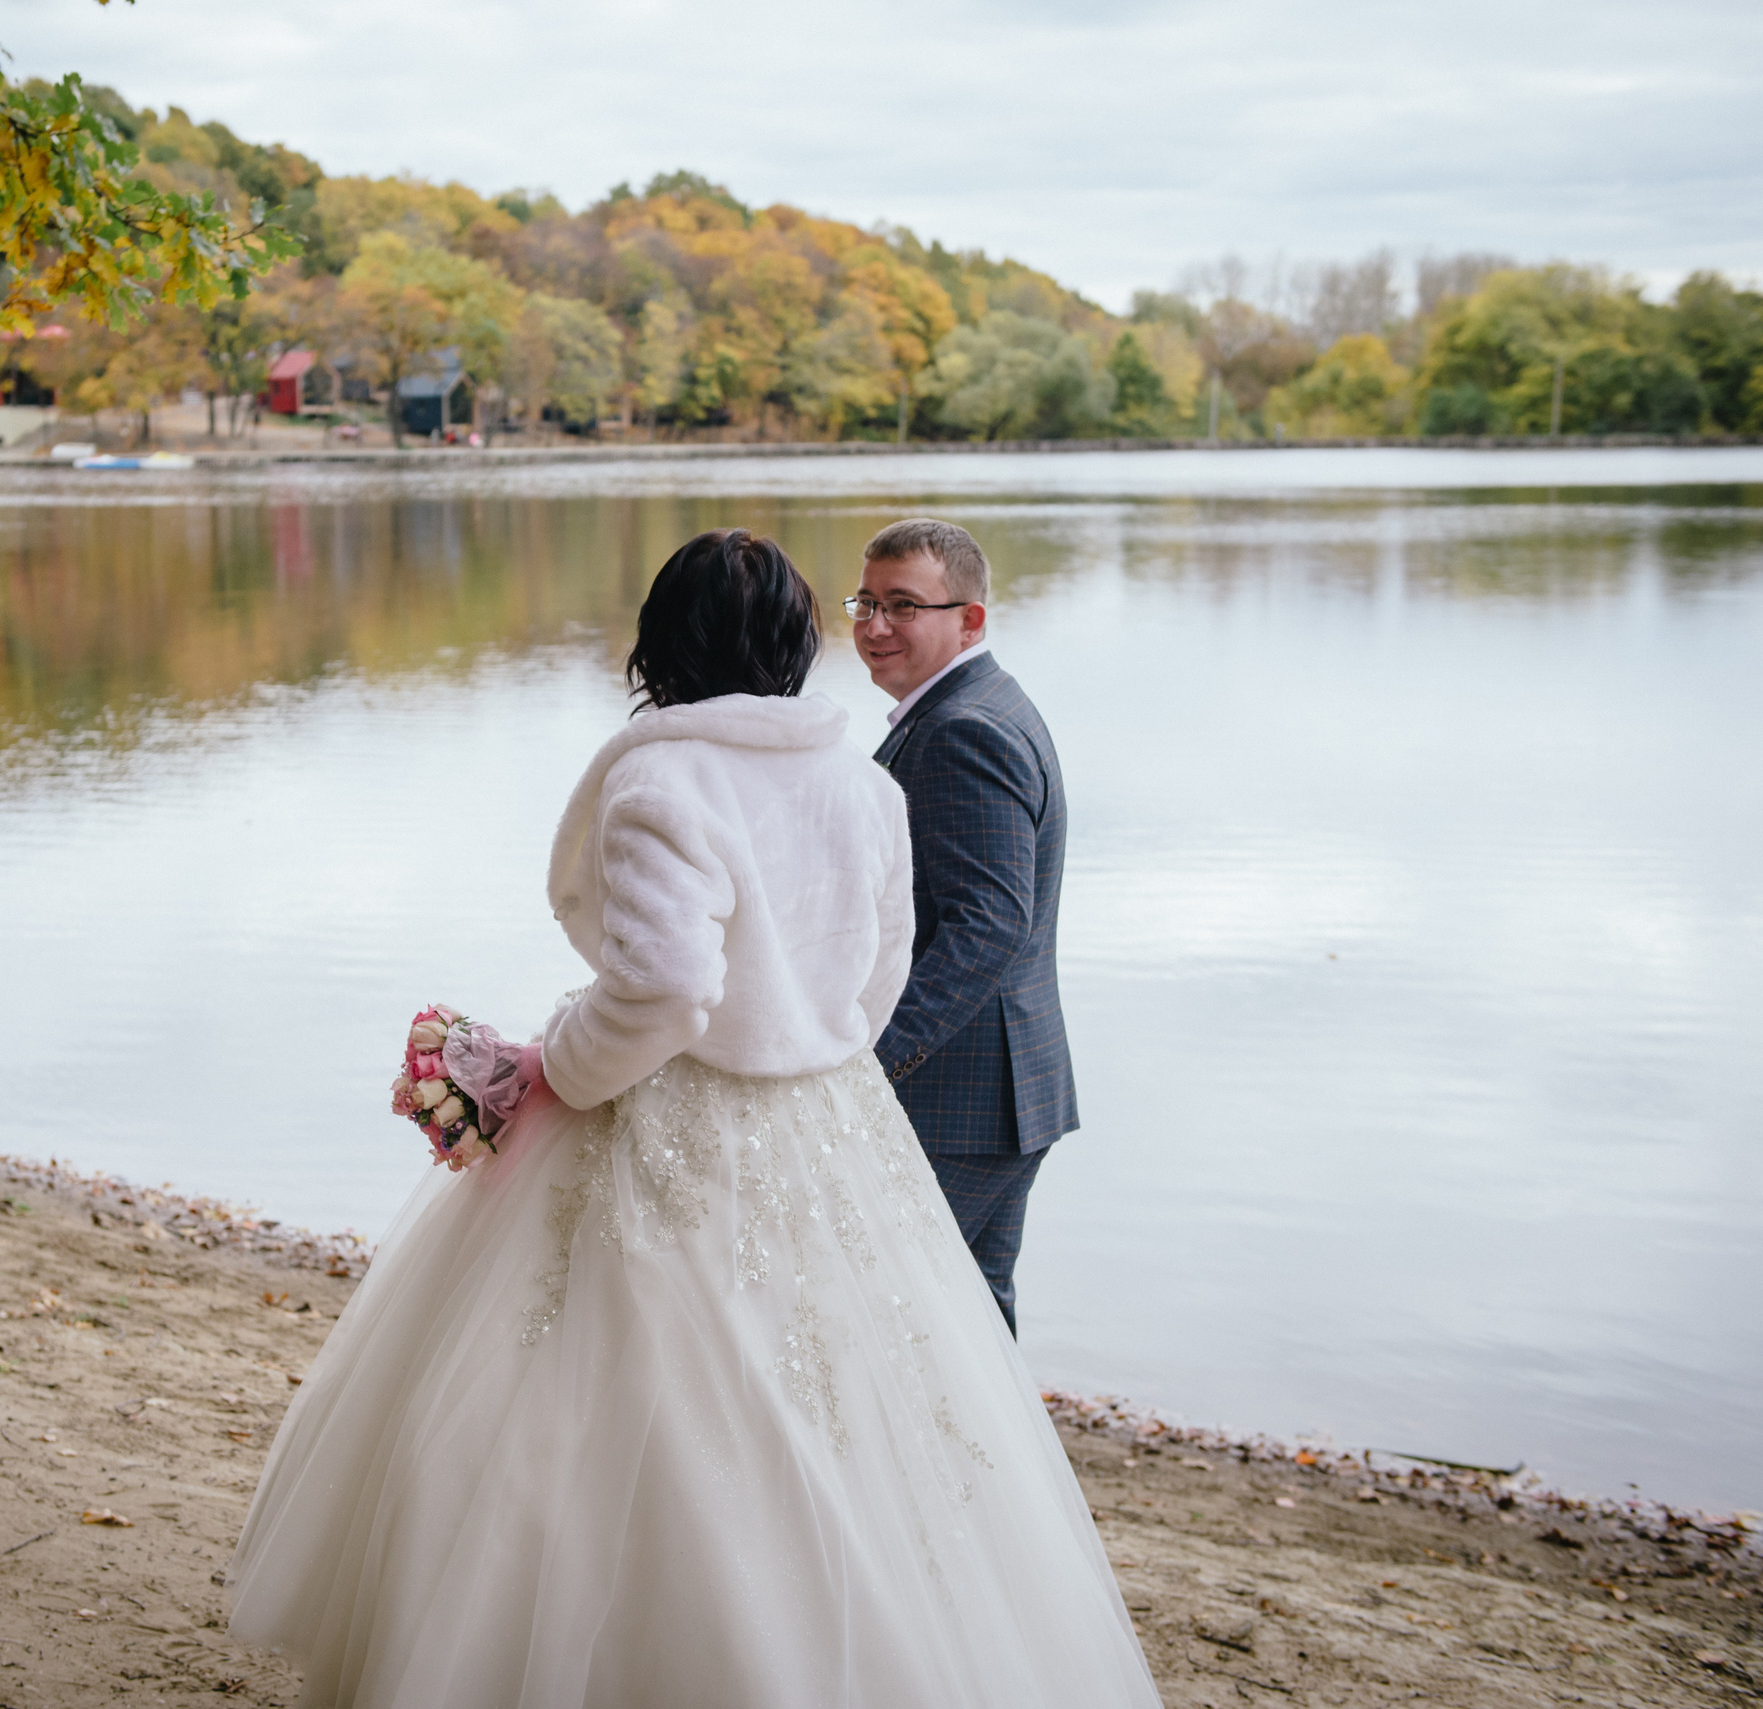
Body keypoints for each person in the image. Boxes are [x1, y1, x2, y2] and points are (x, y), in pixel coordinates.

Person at [226, 529, 1158, 1709]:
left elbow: (664, 990)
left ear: (659, 642)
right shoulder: (861, 781)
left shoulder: (661, 778)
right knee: (845, 1398)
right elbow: (881, 973)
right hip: (829, 1126)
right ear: (791, 644)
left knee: (592, 1405)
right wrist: (809, 1048)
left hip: (670, 1123)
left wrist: (554, 1065)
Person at [852, 518, 1073, 1336]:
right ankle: (1007, 1472)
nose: (875, 627)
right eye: (866, 602)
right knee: (970, 1336)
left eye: (903, 605)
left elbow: (989, 924)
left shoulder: (962, 730)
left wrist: (872, 1062)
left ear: (969, 618)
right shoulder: (970, 704)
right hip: (1002, 1091)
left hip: (961, 1099)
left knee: (891, 1321)